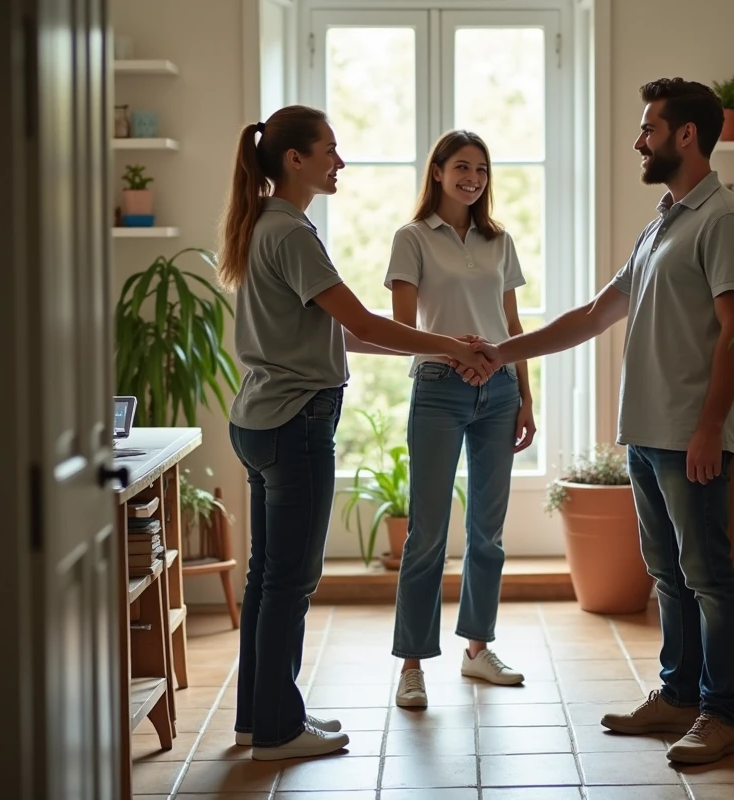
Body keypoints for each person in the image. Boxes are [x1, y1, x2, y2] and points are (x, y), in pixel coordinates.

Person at [470, 78, 734, 765]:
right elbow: (595, 314)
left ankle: (723, 714)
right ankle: (679, 694)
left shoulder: (723, 220)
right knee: (668, 574)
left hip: (690, 436)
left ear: (685, 135)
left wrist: (709, 427)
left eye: (648, 128)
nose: (639, 140)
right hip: (648, 433)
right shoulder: (664, 220)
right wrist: (503, 353)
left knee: (708, 576)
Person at [217, 105, 498, 761]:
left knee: (267, 579)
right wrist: (448, 344)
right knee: (290, 582)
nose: (338, 162)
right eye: (329, 151)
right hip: (296, 421)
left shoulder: (264, 224)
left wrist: (434, 349)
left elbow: (339, 334)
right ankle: (279, 731)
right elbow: (365, 322)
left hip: (258, 417)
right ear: (295, 160)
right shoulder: (291, 231)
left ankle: (260, 720)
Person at [384, 131, 536, 708]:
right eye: (462, 168)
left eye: (482, 169)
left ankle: (477, 651)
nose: (473, 178)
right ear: (439, 172)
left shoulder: (500, 241)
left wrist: (525, 396)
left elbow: (513, 326)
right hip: (440, 389)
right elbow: (401, 330)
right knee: (426, 534)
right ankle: (412, 665)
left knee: (487, 533)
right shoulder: (412, 238)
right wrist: (456, 349)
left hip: (498, 390)